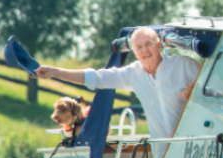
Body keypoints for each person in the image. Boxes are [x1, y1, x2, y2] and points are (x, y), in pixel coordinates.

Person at [33, 27, 200, 142]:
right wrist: (54, 72)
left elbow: (218, 93)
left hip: (196, 146)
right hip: (163, 153)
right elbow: (96, 78)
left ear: (158, 45)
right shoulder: (133, 73)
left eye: (148, 44)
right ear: (134, 52)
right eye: (139, 47)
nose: (144, 50)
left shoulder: (185, 65)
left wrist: (198, 93)